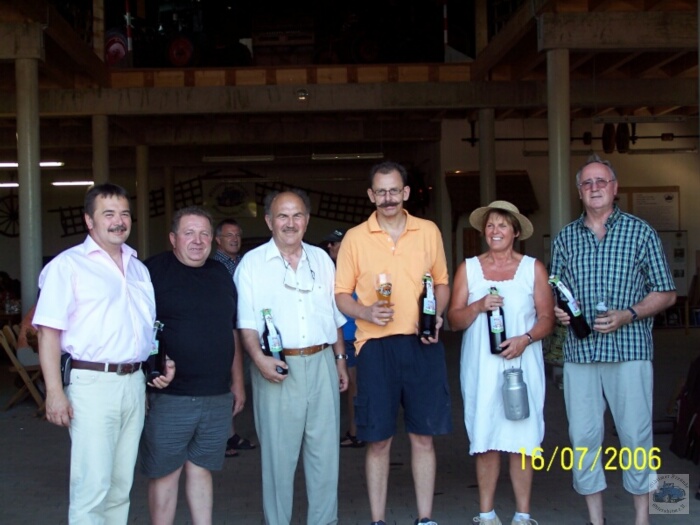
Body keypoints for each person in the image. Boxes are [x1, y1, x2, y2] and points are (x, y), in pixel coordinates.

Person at [33, 182, 174, 523]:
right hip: (91, 384)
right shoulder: (68, 266)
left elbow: (144, 329)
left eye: (124, 213)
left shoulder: (138, 268)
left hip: (133, 383)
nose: (118, 221)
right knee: (92, 485)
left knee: (120, 486)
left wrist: (158, 361)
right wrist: (54, 393)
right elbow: (48, 333)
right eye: (108, 214)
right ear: (89, 220)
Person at [550, 154, 676, 525]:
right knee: (583, 438)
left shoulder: (641, 232)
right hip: (581, 353)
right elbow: (556, 290)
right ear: (579, 191)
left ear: (614, 187)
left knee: (636, 437)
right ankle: (597, 520)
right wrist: (558, 311)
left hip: (629, 350)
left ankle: (642, 519)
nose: (594, 188)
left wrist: (628, 314)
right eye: (587, 183)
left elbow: (666, 292)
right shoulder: (566, 238)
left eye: (601, 181)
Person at [335, 160, 452, 525]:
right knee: (378, 440)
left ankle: (426, 518)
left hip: (422, 343)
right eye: (381, 192)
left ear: (406, 192)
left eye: (394, 191)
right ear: (371, 195)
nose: (388, 198)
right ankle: (377, 520)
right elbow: (340, 295)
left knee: (423, 436)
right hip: (375, 347)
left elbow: (442, 282)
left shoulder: (428, 231)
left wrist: (436, 314)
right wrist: (365, 311)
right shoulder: (355, 237)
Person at [234, 189, 349, 525]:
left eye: (297, 215)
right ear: (269, 220)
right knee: (278, 459)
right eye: (282, 216)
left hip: (322, 362)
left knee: (325, 456)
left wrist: (340, 359)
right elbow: (246, 324)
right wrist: (259, 360)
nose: (290, 223)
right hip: (276, 367)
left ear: (307, 220)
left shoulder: (321, 259)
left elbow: (333, 315)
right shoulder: (252, 264)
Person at [447, 201, 554, 525]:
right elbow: (454, 320)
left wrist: (526, 338)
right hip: (482, 365)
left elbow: (547, 318)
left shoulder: (532, 268)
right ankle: (487, 514)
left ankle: (523, 515)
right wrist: (478, 306)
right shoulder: (469, 268)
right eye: (490, 225)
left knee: (523, 439)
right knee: (486, 436)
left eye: (503, 225)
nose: (495, 231)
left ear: (516, 232)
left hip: (522, 363)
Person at [140, 206, 243, 525]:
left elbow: (231, 330)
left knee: (202, 470)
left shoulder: (221, 274)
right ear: (173, 238)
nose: (197, 241)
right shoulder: (151, 272)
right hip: (170, 397)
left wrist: (238, 383)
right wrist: (147, 371)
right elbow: (133, 328)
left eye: (204, 234)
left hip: (216, 394)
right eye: (189, 233)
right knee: (165, 474)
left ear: (212, 240)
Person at [213, 218, 255, 457]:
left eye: (237, 235)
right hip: (227, 331)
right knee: (226, 384)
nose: (234, 239)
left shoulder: (243, 263)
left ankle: (230, 433)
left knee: (238, 383)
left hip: (245, 330)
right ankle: (222, 437)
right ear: (218, 240)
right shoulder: (215, 267)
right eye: (229, 235)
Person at [324, 228, 365, 449]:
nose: (329, 246)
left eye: (334, 243)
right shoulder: (337, 269)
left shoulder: (348, 270)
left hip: (350, 336)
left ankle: (356, 432)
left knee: (353, 386)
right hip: (348, 335)